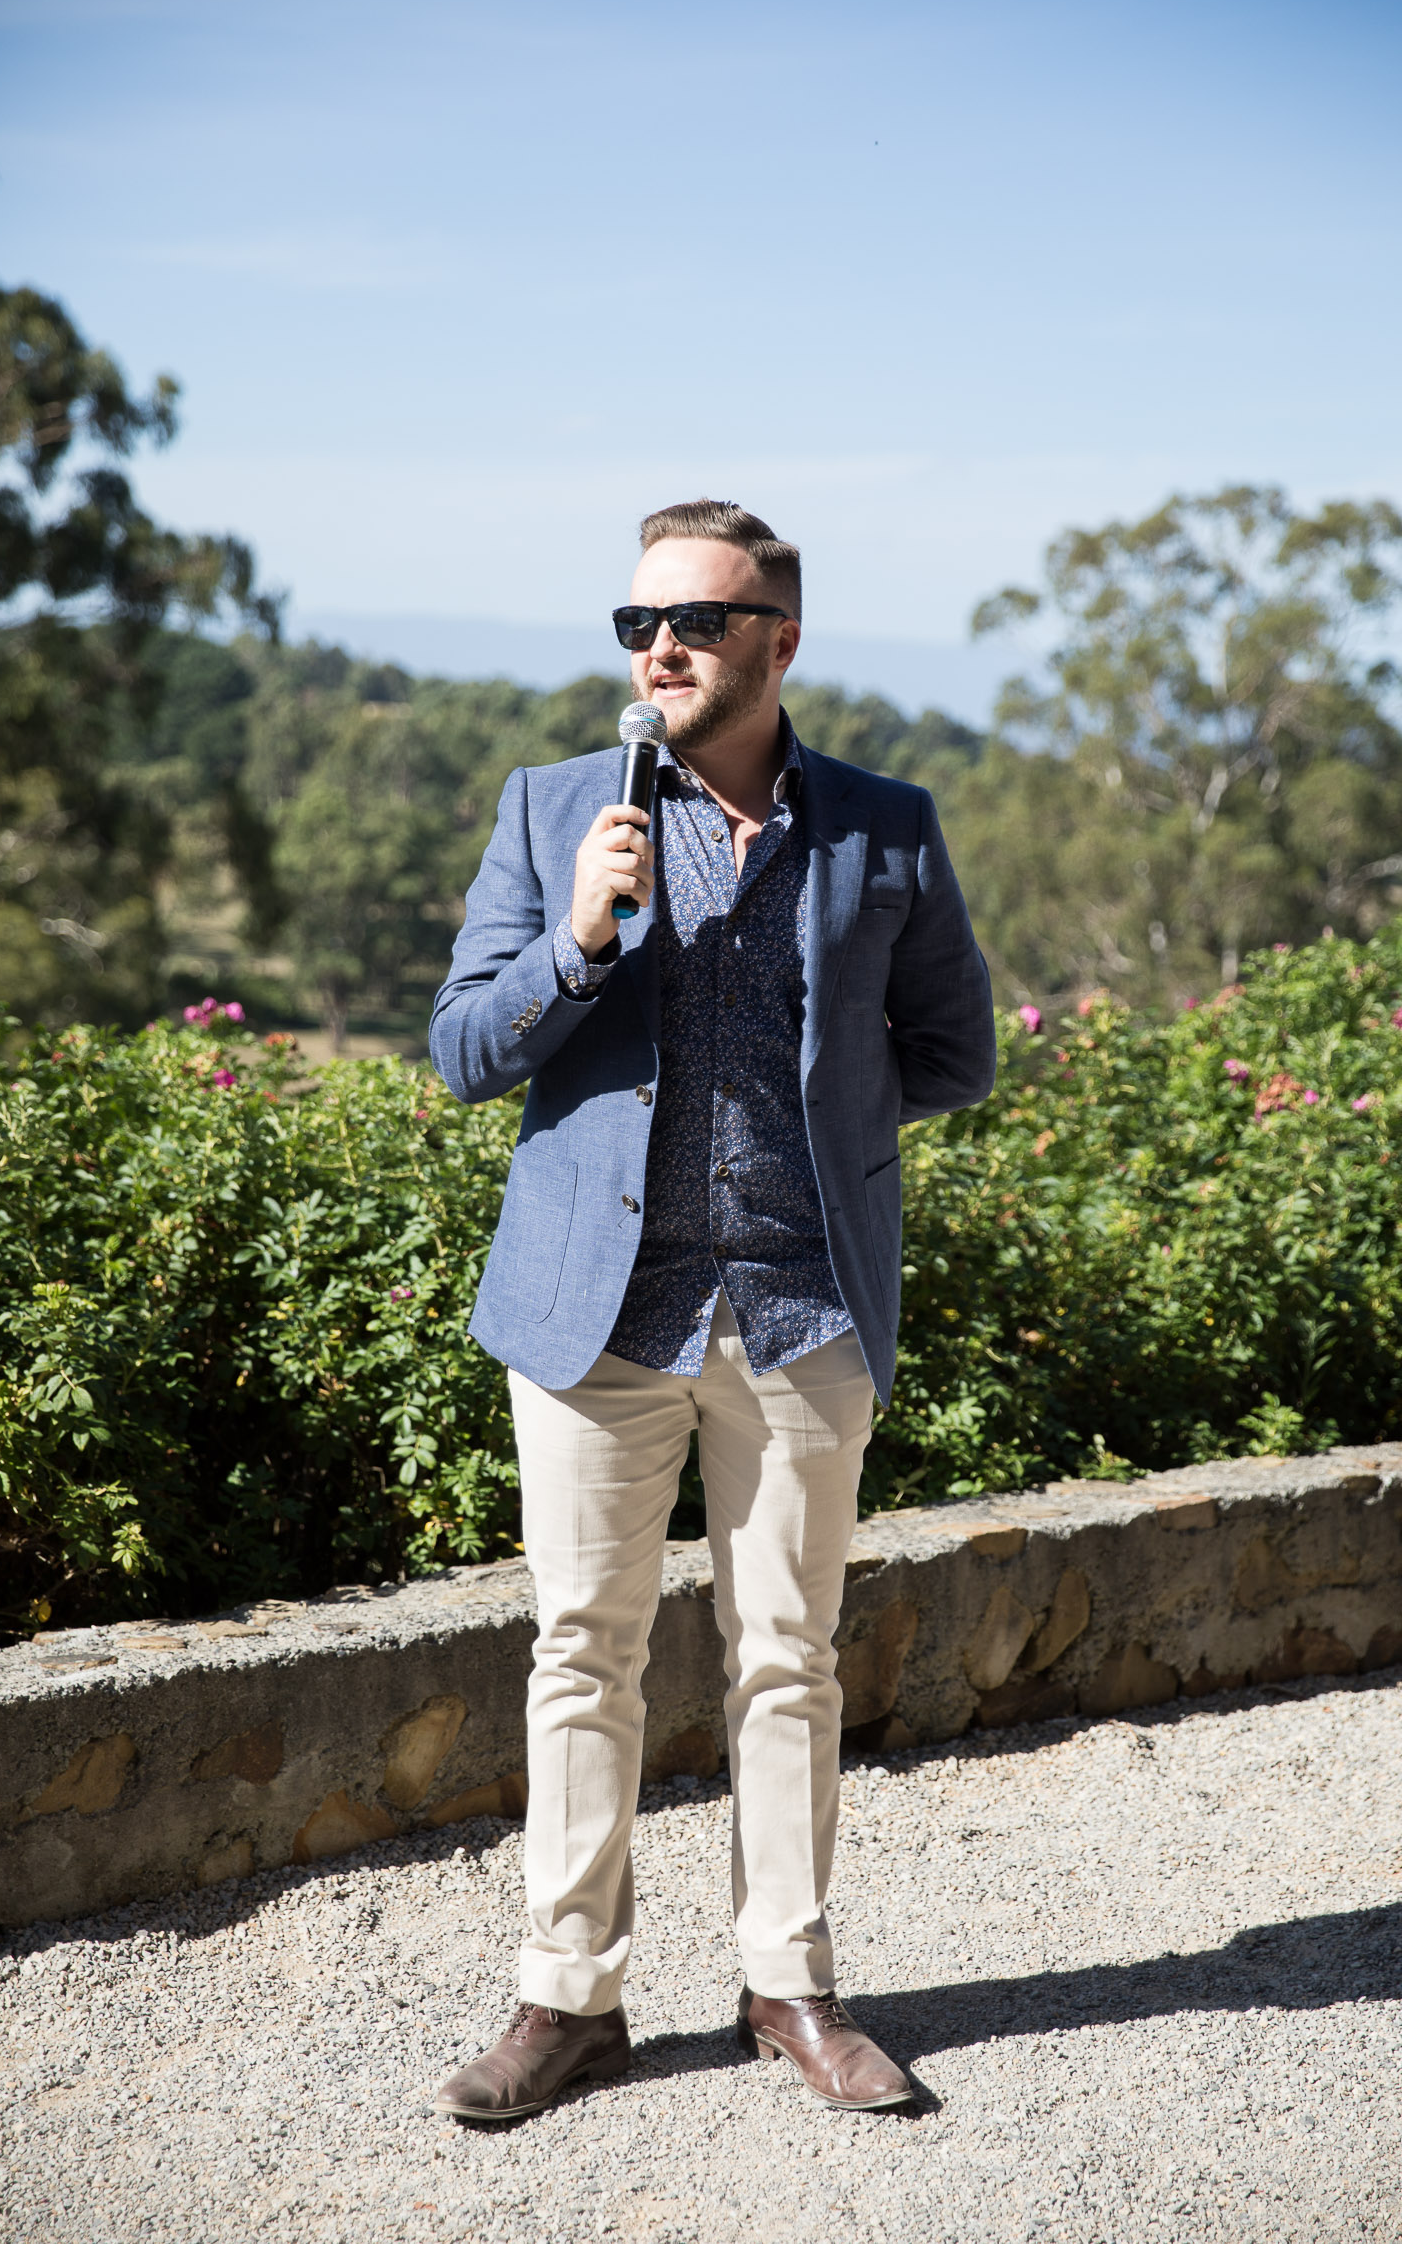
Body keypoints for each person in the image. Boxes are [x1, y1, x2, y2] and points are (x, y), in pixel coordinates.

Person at [428, 499, 996, 2119]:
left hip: (804, 1307)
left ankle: (789, 1985)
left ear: (779, 640)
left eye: (695, 620)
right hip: (594, 1316)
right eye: (637, 623)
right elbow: (463, 1051)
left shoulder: (884, 827)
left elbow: (954, 1053)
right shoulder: (554, 809)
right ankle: (567, 2001)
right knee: (581, 1653)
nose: (658, 647)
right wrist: (579, 938)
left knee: (790, 1659)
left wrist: (826, 1126)